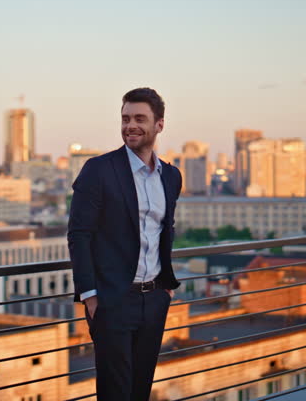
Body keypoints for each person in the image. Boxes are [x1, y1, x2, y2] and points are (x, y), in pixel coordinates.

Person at [67, 87, 182, 401]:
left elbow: (164, 229)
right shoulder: (99, 170)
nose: (130, 125)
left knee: (140, 389)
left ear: (159, 124)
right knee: (115, 392)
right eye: (125, 118)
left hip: (154, 299)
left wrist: (166, 290)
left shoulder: (171, 176)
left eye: (140, 118)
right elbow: (79, 234)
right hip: (111, 301)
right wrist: (90, 297)